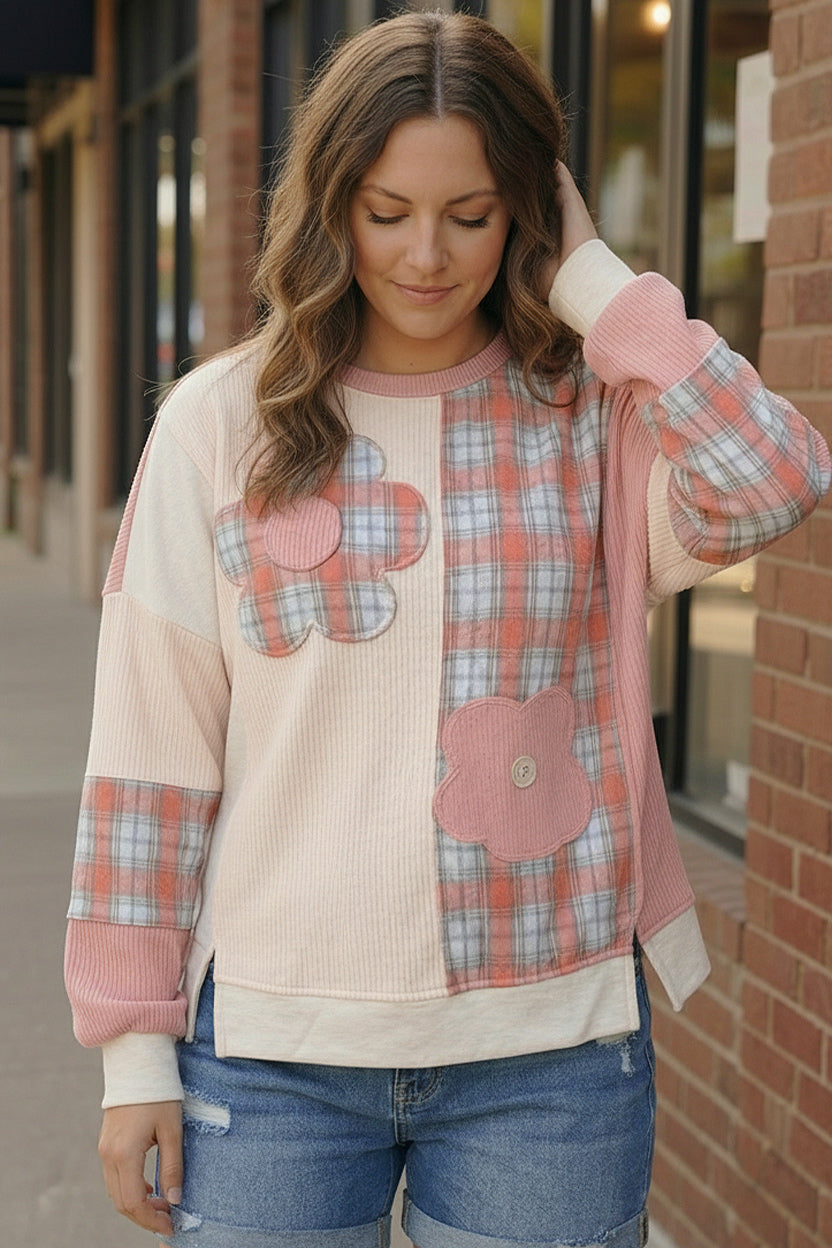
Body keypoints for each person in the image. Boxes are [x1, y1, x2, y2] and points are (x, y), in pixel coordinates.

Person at [65, 11, 830, 1248]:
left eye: (472, 216)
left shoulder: (587, 418)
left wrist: (598, 290)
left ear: (529, 210)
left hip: (550, 1056)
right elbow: (148, 757)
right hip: (270, 1059)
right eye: (385, 211)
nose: (425, 255)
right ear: (329, 208)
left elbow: (771, 477)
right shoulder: (219, 425)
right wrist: (133, 1054)